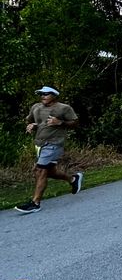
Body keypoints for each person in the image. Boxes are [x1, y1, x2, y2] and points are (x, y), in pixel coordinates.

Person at [15, 86, 83, 214]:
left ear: (54, 95)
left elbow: (75, 123)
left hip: (54, 143)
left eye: (46, 94)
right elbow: (34, 121)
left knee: (40, 171)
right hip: (39, 144)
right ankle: (73, 179)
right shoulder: (36, 107)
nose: (43, 96)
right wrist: (32, 125)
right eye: (41, 94)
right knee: (49, 172)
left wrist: (60, 123)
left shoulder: (64, 108)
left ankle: (35, 203)